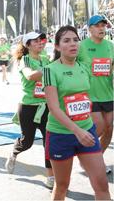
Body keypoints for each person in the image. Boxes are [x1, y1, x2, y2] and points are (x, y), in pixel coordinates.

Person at [43, 25, 111, 200]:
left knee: (101, 184)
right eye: (66, 41)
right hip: (61, 134)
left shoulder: (83, 66)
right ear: (57, 46)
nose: (73, 44)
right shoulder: (50, 70)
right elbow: (53, 107)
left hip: (87, 130)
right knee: (62, 186)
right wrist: (76, 131)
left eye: (75, 40)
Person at [5, 32, 54, 189]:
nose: (41, 42)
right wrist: (53, 68)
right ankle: (14, 153)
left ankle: (51, 177)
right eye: (36, 40)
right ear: (27, 44)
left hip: (45, 106)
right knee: (27, 142)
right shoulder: (24, 60)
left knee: (49, 142)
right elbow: (31, 76)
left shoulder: (46, 59)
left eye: (42, 40)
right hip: (28, 107)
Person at [78, 15, 114, 173]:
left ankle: (97, 158)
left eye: (103, 25)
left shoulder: (111, 46)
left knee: (109, 129)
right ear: (90, 29)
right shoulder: (81, 46)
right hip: (89, 95)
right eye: (97, 26)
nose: (101, 28)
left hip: (108, 93)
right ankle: (88, 157)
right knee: (99, 127)